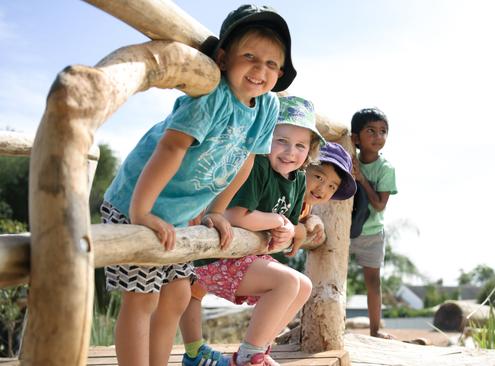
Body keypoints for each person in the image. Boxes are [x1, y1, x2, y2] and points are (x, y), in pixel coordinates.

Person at [100, 4, 296, 365]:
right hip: (137, 201)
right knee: (141, 298)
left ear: (280, 72)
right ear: (223, 57)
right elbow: (172, 146)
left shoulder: (267, 108)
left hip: (181, 215)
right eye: (249, 56)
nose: (260, 70)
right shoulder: (211, 95)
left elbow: (246, 159)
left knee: (176, 295)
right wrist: (141, 211)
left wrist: (216, 211)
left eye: (271, 64)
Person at [182, 96, 324, 366]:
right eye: (280, 140)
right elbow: (234, 215)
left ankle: (260, 351)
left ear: (310, 151)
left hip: (248, 259)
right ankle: (249, 356)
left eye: (300, 146)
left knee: (304, 285)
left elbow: (287, 226)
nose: (290, 152)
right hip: (218, 258)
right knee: (288, 282)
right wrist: (276, 222)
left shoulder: (299, 180)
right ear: (264, 137)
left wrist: (286, 231)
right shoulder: (256, 165)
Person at [348, 107, 398, 339]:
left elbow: (379, 205)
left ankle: (376, 330)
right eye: (371, 131)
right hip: (344, 232)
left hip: (371, 233)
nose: (379, 137)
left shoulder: (386, 169)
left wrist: (362, 179)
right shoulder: (348, 157)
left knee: (373, 282)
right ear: (356, 137)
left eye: (383, 131)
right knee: (333, 276)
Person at [286, 141, 357, 255]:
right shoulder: (286, 193)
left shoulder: (306, 205)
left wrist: (310, 219)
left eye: (331, 186)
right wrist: (300, 230)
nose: (322, 189)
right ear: (304, 166)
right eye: (319, 177)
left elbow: (297, 218)